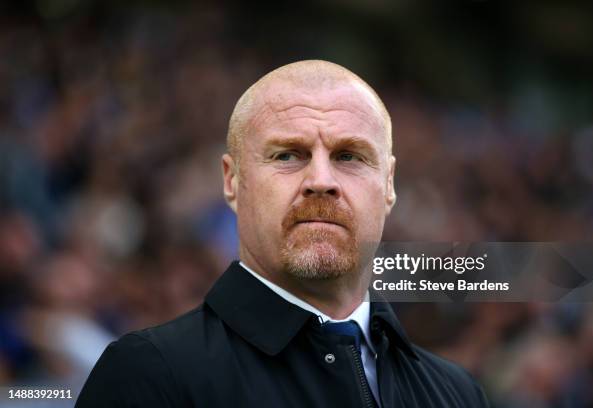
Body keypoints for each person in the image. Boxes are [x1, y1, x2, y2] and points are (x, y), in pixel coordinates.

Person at [75, 60, 489, 407]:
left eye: (350, 156)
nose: (321, 180)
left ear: (390, 185)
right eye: (288, 154)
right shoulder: (150, 375)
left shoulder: (458, 394)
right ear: (232, 181)